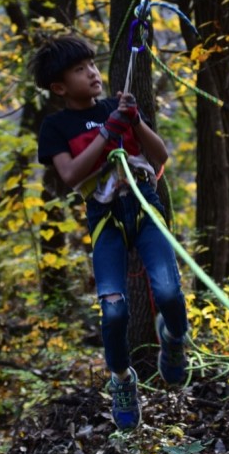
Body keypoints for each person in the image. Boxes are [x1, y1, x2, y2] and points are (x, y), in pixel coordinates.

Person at [33, 34, 190, 431]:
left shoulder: (115, 108)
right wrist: (107, 133)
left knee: (169, 292)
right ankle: (122, 380)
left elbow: (160, 156)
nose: (91, 73)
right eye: (79, 69)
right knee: (115, 311)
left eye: (91, 65)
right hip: (105, 216)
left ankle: (172, 338)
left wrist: (133, 120)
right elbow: (69, 176)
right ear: (59, 87)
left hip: (143, 206)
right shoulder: (55, 126)